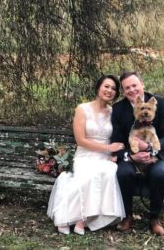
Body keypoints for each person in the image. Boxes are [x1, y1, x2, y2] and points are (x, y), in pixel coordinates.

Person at [47, 75, 126, 235]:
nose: (109, 91)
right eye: (106, 86)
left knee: (108, 171)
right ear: (98, 88)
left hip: (104, 156)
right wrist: (107, 146)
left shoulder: (113, 112)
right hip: (84, 154)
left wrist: (115, 152)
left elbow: (119, 136)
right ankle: (66, 216)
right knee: (87, 175)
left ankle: (82, 220)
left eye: (113, 89)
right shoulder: (82, 109)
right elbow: (80, 140)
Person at [111, 71, 164, 236]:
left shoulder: (159, 103)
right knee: (123, 172)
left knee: (160, 173)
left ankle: (154, 218)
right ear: (123, 91)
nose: (132, 90)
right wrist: (131, 156)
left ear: (142, 84)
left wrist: (149, 148)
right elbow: (117, 141)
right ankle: (127, 216)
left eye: (135, 85)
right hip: (131, 156)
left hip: (157, 155)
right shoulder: (118, 109)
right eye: (127, 88)